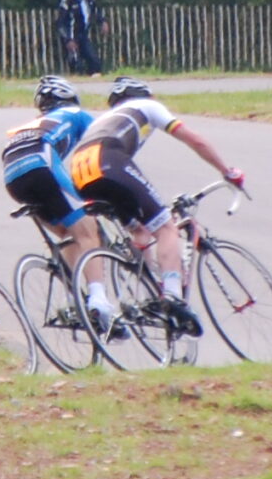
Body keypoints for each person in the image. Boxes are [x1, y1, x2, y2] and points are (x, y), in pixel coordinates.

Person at [64, 78, 247, 366]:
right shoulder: (146, 106)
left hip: (79, 170)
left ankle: (146, 288)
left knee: (139, 228)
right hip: (107, 161)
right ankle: (171, 295)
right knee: (166, 227)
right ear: (144, 94)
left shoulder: (106, 119)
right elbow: (194, 140)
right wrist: (228, 171)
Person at [1, 76, 99, 283]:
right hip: (41, 165)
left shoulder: (29, 126)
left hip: (13, 179)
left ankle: (73, 302)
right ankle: (99, 301)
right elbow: (102, 147)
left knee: (69, 233)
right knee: (88, 232)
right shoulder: (76, 114)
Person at [56, 0, 106, 76]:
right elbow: (60, 23)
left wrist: (103, 22)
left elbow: (96, 13)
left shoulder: (90, 0)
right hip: (71, 35)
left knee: (94, 61)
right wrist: (68, 39)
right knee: (76, 63)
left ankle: (93, 82)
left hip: (83, 35)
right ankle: (77, 80)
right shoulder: (68, 0)